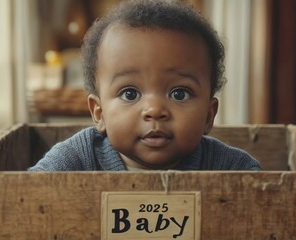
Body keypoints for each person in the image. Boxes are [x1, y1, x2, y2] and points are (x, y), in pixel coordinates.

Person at [29, 0, 261, 171]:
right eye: (130, 93)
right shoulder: (79, 157)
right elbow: (23, 194)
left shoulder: (228, 166)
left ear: (209, 115)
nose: (154, 110)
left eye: (179, 93)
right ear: (99, 113)